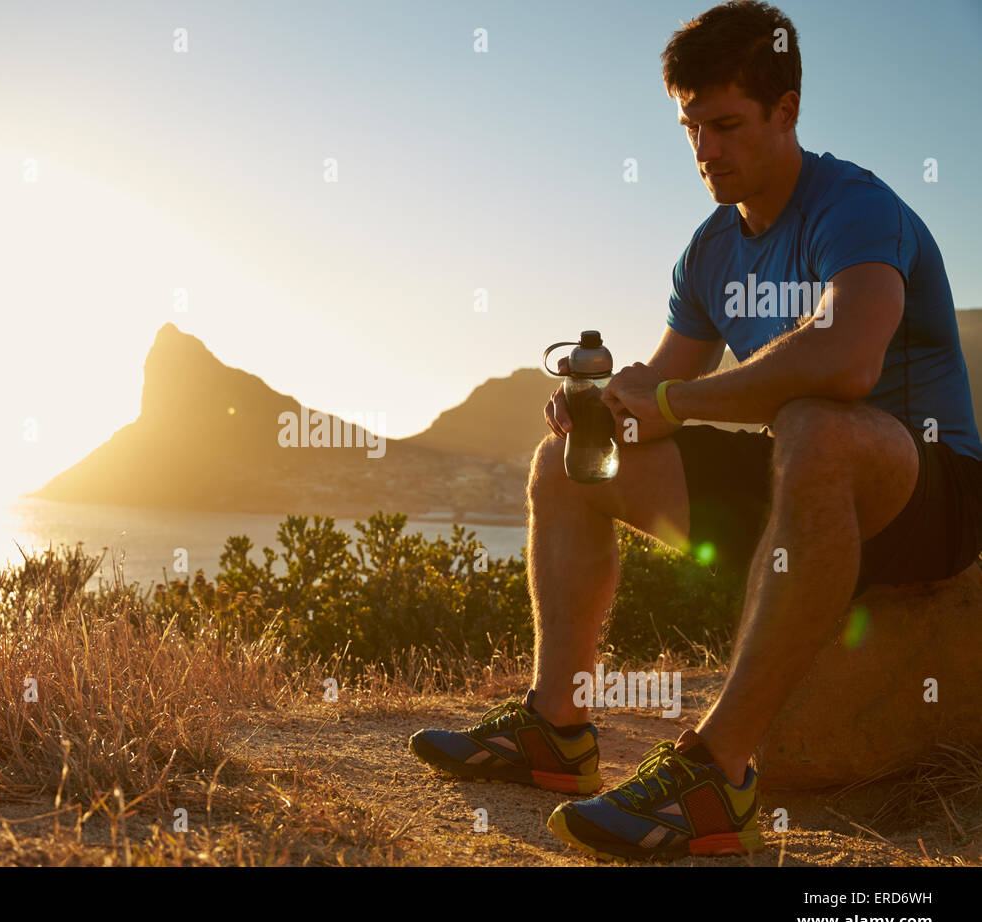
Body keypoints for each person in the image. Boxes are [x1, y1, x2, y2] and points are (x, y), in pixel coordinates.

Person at [408, 0, 982, 861]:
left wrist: (675, 407)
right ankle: (554, 734)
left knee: (816, 426)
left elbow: (848, 360)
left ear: (786, 112)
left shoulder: (857, 209)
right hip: (802, 478)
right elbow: (666, 377)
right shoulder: (712, 248)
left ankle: (718, 771)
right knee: (569, 466)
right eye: (689, 128)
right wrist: (603, 404)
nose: (705, 150)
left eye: (725, 124)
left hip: (928, 489)